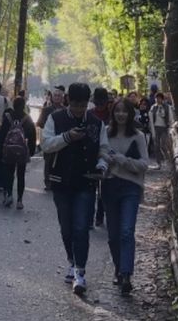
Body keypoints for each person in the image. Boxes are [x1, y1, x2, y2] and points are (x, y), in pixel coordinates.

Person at [42, 83, 109, 296]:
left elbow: (104, 150)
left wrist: (102, 165)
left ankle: (80, 271)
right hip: (61, 181)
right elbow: (46, 144)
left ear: (88, 102)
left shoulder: (96, 123)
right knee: (66, 227)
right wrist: (67, 137)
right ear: (68, 100)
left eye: (83, 105)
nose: (79, 109)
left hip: (86, 182)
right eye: (75, 104)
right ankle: (71, 261)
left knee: (82, 227)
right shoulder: (56, 118)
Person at [102, 99, 149, 295]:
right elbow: (100, 153)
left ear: (130, 114)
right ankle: (118, 269)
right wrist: (105, 159)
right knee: (113, 235)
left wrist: (124, 161)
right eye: (117, 111)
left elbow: (145, 164)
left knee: (127, 231)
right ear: (113, 113)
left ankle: (126, 274)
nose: (121, 114)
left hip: (131, 187)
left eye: (125, 111)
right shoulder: (105, 132)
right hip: (110, 185)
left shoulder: (138, 136)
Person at [0, 97, 37, 209]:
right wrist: (31, 150)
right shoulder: (28, 118)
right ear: (24, 105)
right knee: (21, 175)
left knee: (9, 173)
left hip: (9, 150)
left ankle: (9, 194)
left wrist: (1, 149)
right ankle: (20, 200)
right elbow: (32, 136)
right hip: (22, 151)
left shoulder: (7, 117)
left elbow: (2, 135)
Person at [90, 87, 113, 227]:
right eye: (97, 103)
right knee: (90, 188)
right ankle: (89, 217)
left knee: (104, 188)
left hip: (108, 154)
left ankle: (100, 215)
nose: (99, 106)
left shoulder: (112, 115)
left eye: (102, 104)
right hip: (91, 154)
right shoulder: (89, 114)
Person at [150, 91, 172, 167]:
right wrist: (152, 130)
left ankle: (168, 160)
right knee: (156, 146)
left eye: (159, 98)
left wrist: (170, 126)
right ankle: (158, 163)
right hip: (156, 127)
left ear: (162, 99)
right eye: (156, 98)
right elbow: (151, 119)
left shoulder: (167, 107)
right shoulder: (153, 107)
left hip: (164, 127)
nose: (158, 100)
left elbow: (170, 117)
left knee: (163, 145)